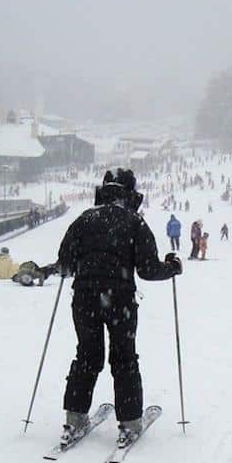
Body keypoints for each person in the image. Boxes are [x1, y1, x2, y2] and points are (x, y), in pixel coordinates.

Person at [56, 168, 182, 445]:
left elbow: (65, 264)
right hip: (120, 301)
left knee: (87, 356)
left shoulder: (83, 220)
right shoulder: (134, 223)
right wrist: (172, 268)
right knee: (124, 359)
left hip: (84, 300)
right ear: (130, 195)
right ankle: (129, 422)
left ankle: (74, 419)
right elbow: (148, 270)